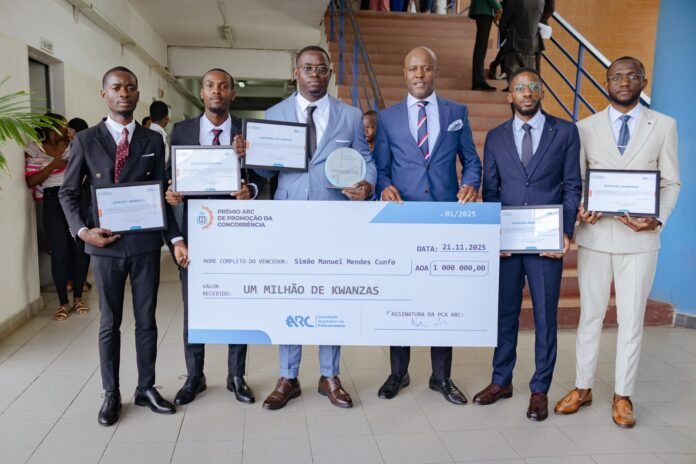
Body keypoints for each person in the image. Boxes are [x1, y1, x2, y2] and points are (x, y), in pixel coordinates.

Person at [234, 45, 376, 410]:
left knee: (330, 296)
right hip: (290, 219)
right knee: (291, 294)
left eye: (321, 68)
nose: (315, 74)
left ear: (329, 73)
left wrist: (368, 185)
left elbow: (366, 161)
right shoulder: (274, 114)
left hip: (334, 218)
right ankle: (288, 376)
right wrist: (249, 157)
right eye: (308, 68)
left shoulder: (349, 116)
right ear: (295, 72)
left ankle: (329, 375)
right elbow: (266, 172)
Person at [59, 66, 189, 426]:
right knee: (109, 322)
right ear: (104, 94)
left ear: (138, 94)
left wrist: (174, 238)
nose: (124, 93)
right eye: (116, 87)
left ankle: (146, 388)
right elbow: (68, 193)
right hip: (104, 245)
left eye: (130, 87)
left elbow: (160, 194)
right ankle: (111, 393)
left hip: (145, 245)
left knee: (147, 321)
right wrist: (83, 231)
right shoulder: (86, 139)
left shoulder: (152, 140)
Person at [555, 56, 680, 428]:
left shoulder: (664, 125)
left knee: (631, 320)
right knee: (590, 316)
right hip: (596, 236)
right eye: (616, 77)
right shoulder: (585, 127)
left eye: (632, 76)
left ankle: (623, 394)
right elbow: (576, 180)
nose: (624, 82)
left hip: (640, 241)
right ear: (606, 82)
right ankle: (583, 387)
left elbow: (670, 181)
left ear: (643, 81)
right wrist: (581, 209)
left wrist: (657, 218)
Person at [373, 46, 482, 405]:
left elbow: (471, 161)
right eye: (412, 69)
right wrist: (383, 186)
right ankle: (398, 373)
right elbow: (381, 168)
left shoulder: (456, 112)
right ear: (404, 74)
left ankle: (441, 377)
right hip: (402, 220)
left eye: (425, 68)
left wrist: (471, 183)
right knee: (400, 297)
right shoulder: (387, 118)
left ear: (435, 72)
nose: (419, 75)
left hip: (444, 221)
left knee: (442, 299)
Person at [473, 67, 581, 421]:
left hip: (545, 241)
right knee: (504, 313)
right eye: (520, 87)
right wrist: (492, 233)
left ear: (542, 92)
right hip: (507, 243)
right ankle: (501, 380)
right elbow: (491, 190)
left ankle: (539, 389)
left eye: (533, 86)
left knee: (545, 316)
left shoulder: (565, 132)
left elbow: (572, 185)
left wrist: (565, 231)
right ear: (510, 95)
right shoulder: (496, 137)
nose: (527, 92)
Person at [165, 68, 264, 406]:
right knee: (194, 308)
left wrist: (250, 190)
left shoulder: (248, 132)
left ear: (233, 93)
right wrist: (171, 197)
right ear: (202, 93)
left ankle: (236, 376)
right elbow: (170, 180)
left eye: (223, 86)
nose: (216, 91)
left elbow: (264, 176)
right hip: (194, 234)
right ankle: (195, 376)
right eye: (210, 86)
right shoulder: (181, 131)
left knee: (238, 306)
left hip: (237, 233)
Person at [25, 113, 89, 320]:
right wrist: (53, 165)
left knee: (79, 249)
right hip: (52, 200)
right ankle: (63, 303)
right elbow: (31, 181)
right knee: (60, 252)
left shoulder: (75, 144)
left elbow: (87, 169)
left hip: (75, 198)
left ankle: (78, 298)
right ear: (50, 129)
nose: (67, 129)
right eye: (62, 126)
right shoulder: (34, 148)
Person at [498, 0, 544, 85]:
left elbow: (504, 21)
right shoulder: (541, 1)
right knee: (529, 80)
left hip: (514, 44)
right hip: (532, 45)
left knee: (514, 82)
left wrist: (504, 32)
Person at [469, 0, 502, 91]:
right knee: (481, 47)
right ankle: (478, 81)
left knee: (481, 46)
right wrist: (498, 8)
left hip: (483, 10)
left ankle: (478, 80)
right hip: (483, 11)